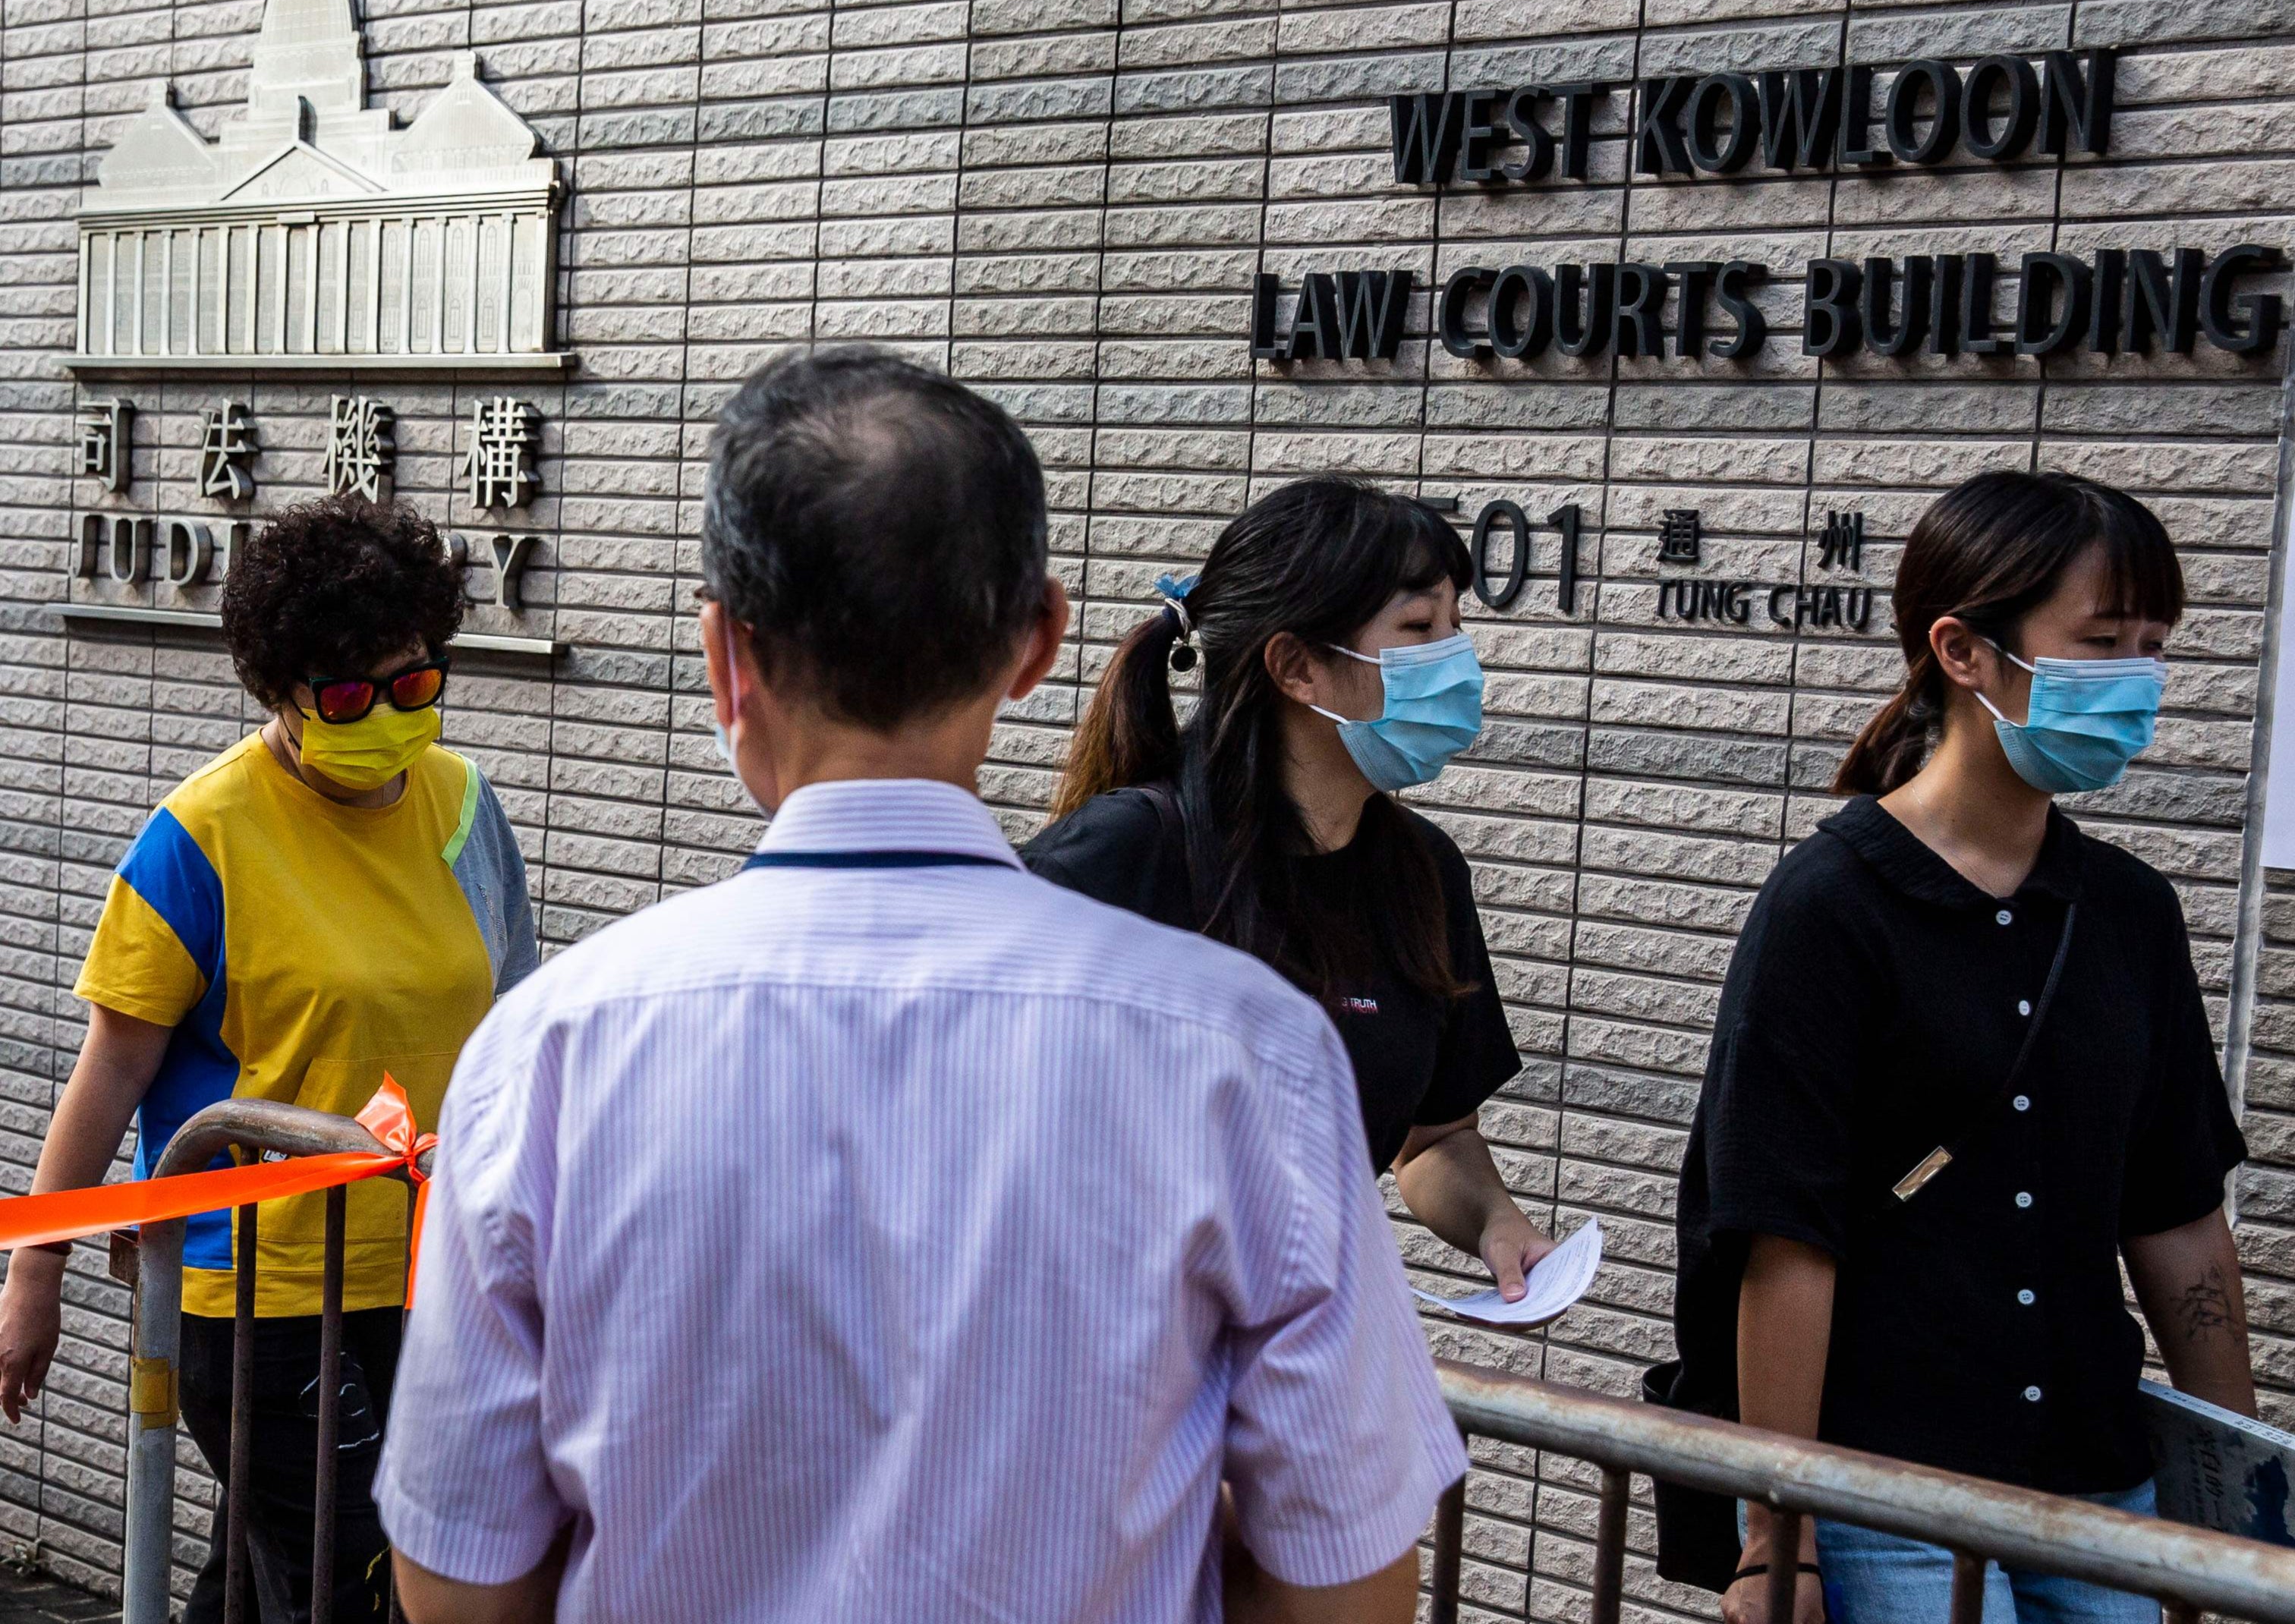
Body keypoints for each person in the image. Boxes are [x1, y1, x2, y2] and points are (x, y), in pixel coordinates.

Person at [375, 349, 1465, 1624]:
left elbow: (458, 1580)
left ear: (725, 649)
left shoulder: (549, 1046)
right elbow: (1349, 1581)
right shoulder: (1249, 1050)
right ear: (1037, 641)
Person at [1670, 471, 2256, 1624]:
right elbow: (1783, 1239)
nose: (2135, 682)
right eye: (2099, 645)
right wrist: (1775, 1538)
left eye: (2152, 646)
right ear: (1964, 650)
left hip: (2099, 1483)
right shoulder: (1830, 906)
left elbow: (2179, 1215)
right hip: (1884, 1495)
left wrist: (2239, 1515)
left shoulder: (2130, 911)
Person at [0, 495, 536, 1622]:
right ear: (279, 689)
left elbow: (514, 1019)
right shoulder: (203, 834)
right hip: (263, 1297)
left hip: (432, 1276)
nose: (387, 713)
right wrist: (33, 1276)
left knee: (256, 1585)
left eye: (414, 682)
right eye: (347, 693)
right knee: (355, 1581)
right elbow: (112, 1070)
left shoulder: (464, 805)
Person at [1023, 477, 1557, 1305]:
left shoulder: (1424, 874)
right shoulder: (1123, 858)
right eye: (1417, 629)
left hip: (1295, 1362)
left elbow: (1431, 1138)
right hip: (1105, 1363)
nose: (1455, 664)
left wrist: (1494, 1220)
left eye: (1456, 629)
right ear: (1296, 667)